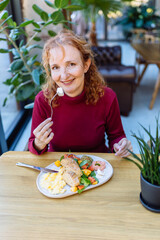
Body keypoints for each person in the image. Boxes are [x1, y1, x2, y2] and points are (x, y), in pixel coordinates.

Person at [28, 30, 132, 157]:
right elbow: (33, 144)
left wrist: (121, 145)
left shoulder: (107, 97)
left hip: (98, 166)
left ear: (86, 65)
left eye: (71, 64)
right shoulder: (43, 100)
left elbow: (116, 136)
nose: (64, 75)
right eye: (55, 67)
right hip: (58, 168)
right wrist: (39, 143)